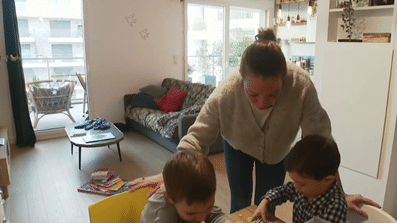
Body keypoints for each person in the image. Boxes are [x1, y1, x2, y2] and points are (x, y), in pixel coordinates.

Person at [129, 28, 379, 217]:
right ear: (241, 81)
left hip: (277, 153)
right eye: (253, 95)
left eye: (272, 94)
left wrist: (339, 192)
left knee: (265, 204)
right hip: (236, 146)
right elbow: (195, 138)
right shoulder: (226, 92)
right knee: (240, 199)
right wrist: (173, 176)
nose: (262, 103)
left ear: (285, 79)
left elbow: (321, 144)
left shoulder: (301, 86)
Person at [252, 134, 346, 223]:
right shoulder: (304, 188)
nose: (296, 187)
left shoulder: (335, 206)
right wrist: (266, 201)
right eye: (295, 182)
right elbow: (283, 191)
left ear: (327, 180)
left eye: (301, 184)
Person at [139, 150, 231, 223]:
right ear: (169, 197)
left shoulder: (197, 204)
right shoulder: (163, 215)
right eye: (191, 213)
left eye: (209, 207)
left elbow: (215, 215)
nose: (201, 217)